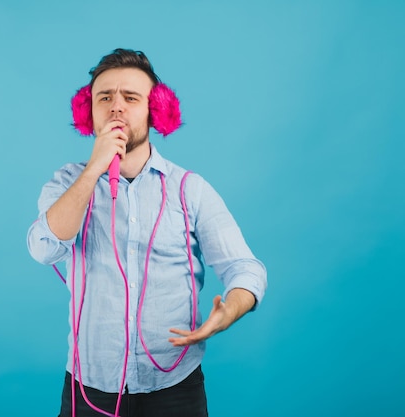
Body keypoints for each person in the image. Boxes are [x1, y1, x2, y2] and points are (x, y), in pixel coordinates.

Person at [27, 48, 267, 417]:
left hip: (175, 389)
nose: (116, 107)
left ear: (156, 112)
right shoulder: (66, 183)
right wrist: (94, 169)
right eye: (104, 97)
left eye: (131, 97)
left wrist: (227, 312)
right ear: (88, 112)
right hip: (89, 390)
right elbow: (43, 248)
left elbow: (247, 269)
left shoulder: (190, 189)